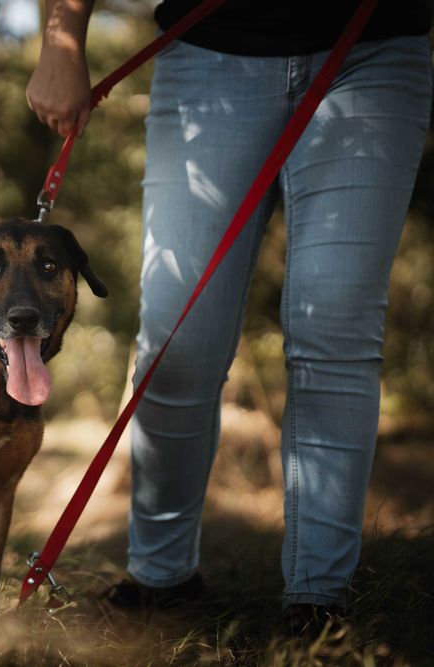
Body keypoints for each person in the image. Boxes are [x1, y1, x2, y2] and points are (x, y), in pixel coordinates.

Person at [26, 0, 432, 630]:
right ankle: (162, 580)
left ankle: (318, 600)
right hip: (209, 51)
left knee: (336, 327)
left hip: (373, 49)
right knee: (177, 341)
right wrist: (62, 44)